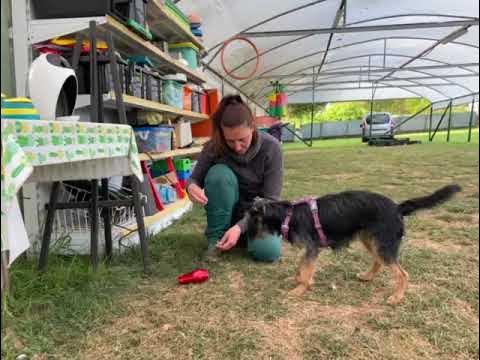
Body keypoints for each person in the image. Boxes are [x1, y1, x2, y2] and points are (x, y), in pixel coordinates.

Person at [187, 95, 284, 262]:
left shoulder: (272, 148)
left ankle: (240, 235)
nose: (237, 147)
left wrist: (240, 227)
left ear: (253, 127)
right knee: (219, 174)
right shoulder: (214, 146)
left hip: (259, 212)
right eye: (230, 141)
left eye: (242, 139)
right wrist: (191, 188)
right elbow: (194, 179)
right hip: (228, 211)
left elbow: (271, 200)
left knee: (268, 252)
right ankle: (216, 238)